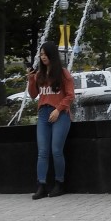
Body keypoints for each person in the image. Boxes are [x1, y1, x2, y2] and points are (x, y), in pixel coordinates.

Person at [26, 42, 74, 199]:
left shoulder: (63, 73)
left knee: (56, 150)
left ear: (52, 55)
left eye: (45, 54)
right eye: (41, 54)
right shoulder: (39, 74)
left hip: (60, 114)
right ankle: (41, 185)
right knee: (42, 152)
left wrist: (58, 109)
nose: (43, 57)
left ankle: (60, 184)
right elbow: (33, 95)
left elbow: (70, 95)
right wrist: (31, 80)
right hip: (43, 113)